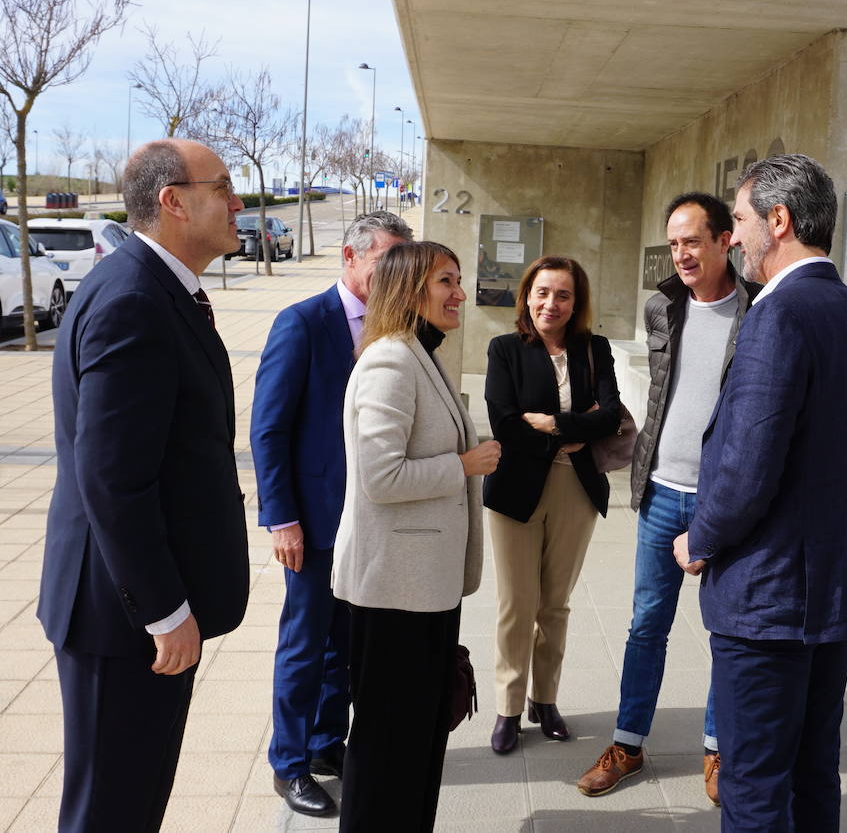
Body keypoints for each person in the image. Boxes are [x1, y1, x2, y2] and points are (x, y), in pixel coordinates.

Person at [677, 154, 847, 833]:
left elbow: (748, 467)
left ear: (779, 221)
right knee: (812, 774)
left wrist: (702, 538)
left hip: (769, 601)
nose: (735, 237)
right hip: (829, 592)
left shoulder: (780, 317)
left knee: (753, 785)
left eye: (741, 221)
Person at [37, 139, 251, 832]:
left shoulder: (156, 287)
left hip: (133, 613)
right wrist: (163, 610)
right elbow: (111, 477)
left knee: (131, 803)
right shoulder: (133, 297)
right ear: (173, 202)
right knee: (110, 811)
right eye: (223, 187)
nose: (238, 202)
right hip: (124, 619)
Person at [577, 193, 759, 803]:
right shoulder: (663, 307)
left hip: (723, 505)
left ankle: (717, 750)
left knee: (723, 631)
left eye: (692, 241)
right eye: (673, 242)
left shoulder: (758, 312)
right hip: (660, 493)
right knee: (646, 624)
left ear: (724, 240)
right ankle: (627, 744)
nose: (680, 253)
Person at [330, 241, 500, 832]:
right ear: (409, 291)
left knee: (421, 735)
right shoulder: (390, 361)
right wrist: (466, 464)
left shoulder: (422, 354)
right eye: (445, 281)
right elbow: (381, 476)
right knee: (387, 743)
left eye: (458, 279)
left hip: (424, 585)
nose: (459, 292)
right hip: (393, 590)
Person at [251, 210, 413, 816]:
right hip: (314, 521)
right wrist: (281, 518)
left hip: (372, 520)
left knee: (344, 643)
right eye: (385, 261)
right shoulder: (301, 323)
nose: (396, 274)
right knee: (304, 642)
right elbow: (268, 430)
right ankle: (288, 764)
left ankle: (326, 743)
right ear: (351, 257)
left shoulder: (397, 328)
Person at [483, 256, 625, 754]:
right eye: (543, 292)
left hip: (577, 492)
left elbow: (610, 416)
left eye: (563, 295)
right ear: (527, 295)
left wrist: (552, 425)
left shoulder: (594, 349)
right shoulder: (505, 349)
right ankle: (508, 707)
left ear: (575, 302)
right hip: (516, 492)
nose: (551, 303)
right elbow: (503, 421)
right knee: (515, 605)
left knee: (555, 604)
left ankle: (546, 700)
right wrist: (566, 431)